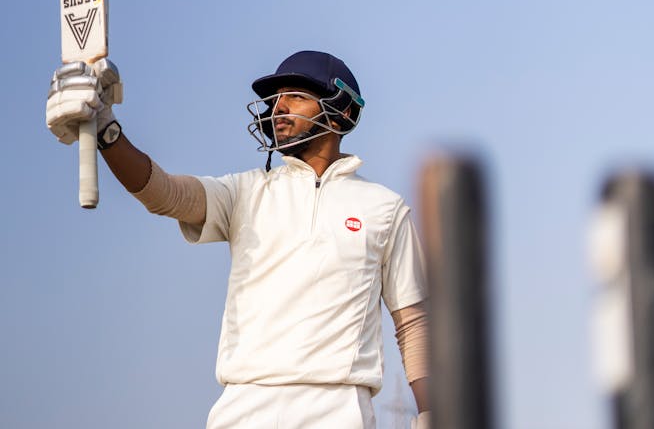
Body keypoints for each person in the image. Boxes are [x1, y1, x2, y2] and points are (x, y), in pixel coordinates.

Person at [47, 50, 430, 429]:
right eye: (274, 99)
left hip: (338, 408)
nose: (278, 108)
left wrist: (433, 412)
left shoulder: (384, 208)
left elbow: (412, 324)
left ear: (342, 109)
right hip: (244, 406)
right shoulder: (246, 191)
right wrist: (107, 131)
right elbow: (163, 194)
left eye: (295, 96)